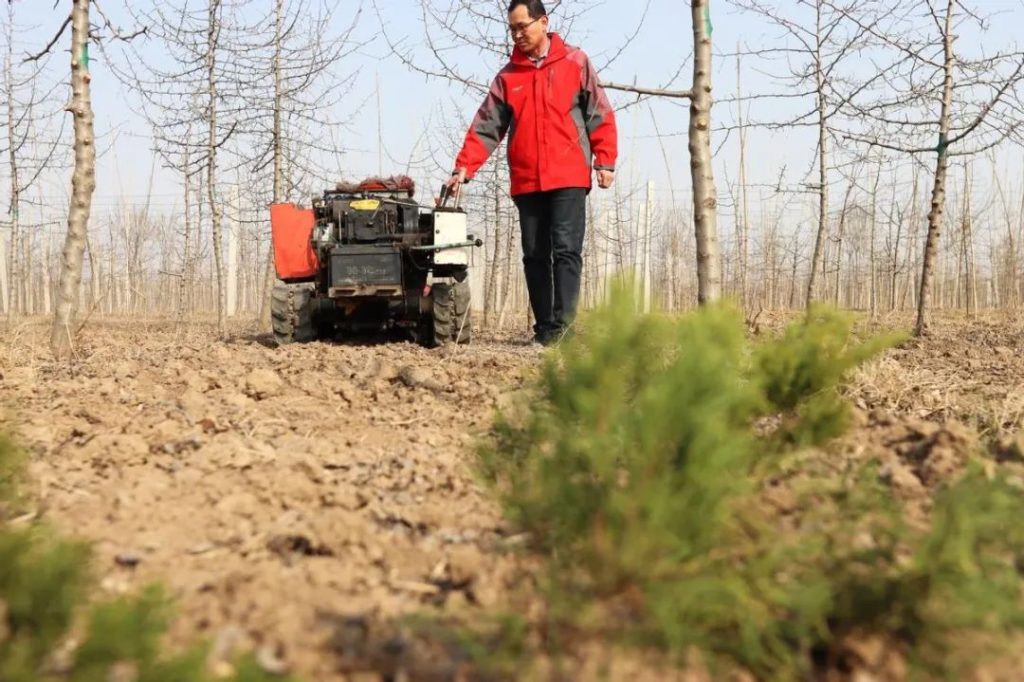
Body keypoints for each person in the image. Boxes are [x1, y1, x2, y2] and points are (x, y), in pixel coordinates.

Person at [446, 0, 618, 346]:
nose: (518, 34)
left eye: (523, 26)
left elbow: (599, 110)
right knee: (534, 255)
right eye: (512, 28)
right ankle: (545, 330)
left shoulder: (575, 61)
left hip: (568, 176)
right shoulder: (509, 77)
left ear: (544, 22)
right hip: (527, 180)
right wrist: (464, 167)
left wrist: (605, 160)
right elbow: (486, 127)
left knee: (566, 250)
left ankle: (564, 328)